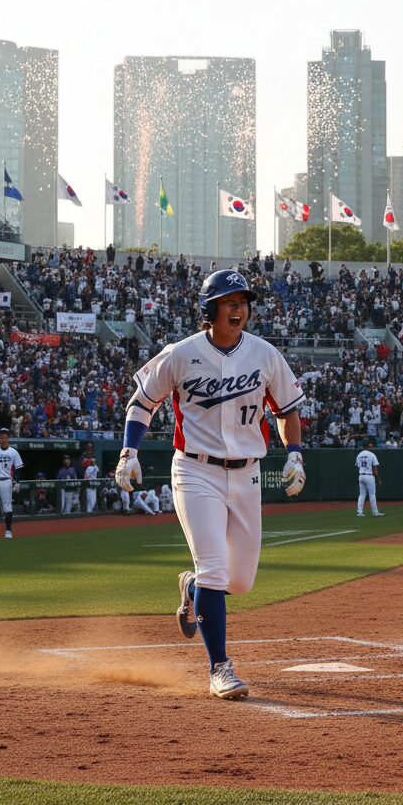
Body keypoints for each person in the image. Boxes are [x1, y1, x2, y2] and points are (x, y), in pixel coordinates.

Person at [115, 269, 306, 701]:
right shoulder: (180, 354)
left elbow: (287, 410)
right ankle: (220, 667)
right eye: (229, 302)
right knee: (216, 570)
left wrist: (295, 453)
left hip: (247, 473)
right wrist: (129, 452)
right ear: (210, 309)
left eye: (243, 302)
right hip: (195, 470)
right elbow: (142, 403)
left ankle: (192, 588)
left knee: (240, 582)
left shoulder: (264, 354)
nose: (239, 309)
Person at [354, 439, 384, 517]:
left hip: (361, 475)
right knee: (372, 494)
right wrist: (378, 478)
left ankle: (359, 512)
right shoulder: (372, 454)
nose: (371, 445)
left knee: (362, 494)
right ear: (368, 445)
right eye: (370, 444)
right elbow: (375, 468)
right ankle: (375, 512)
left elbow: (357, 466)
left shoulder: (359, 454)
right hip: (369, 476)